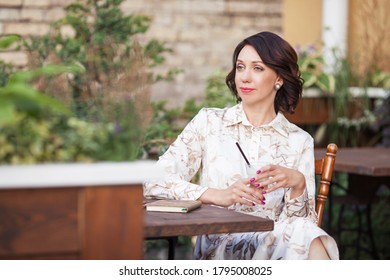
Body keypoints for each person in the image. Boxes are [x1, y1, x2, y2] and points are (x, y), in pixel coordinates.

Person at [144, 31, 339, 260]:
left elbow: (299, 230)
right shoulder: (210, 122)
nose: (244, 77)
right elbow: (153, 180)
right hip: (219, 243)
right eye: (240, 67)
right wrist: (217, 195)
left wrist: (298, 185)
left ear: (279, 78)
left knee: (307, 236)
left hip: (273, 249)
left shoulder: (299, 140)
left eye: (257, 68)